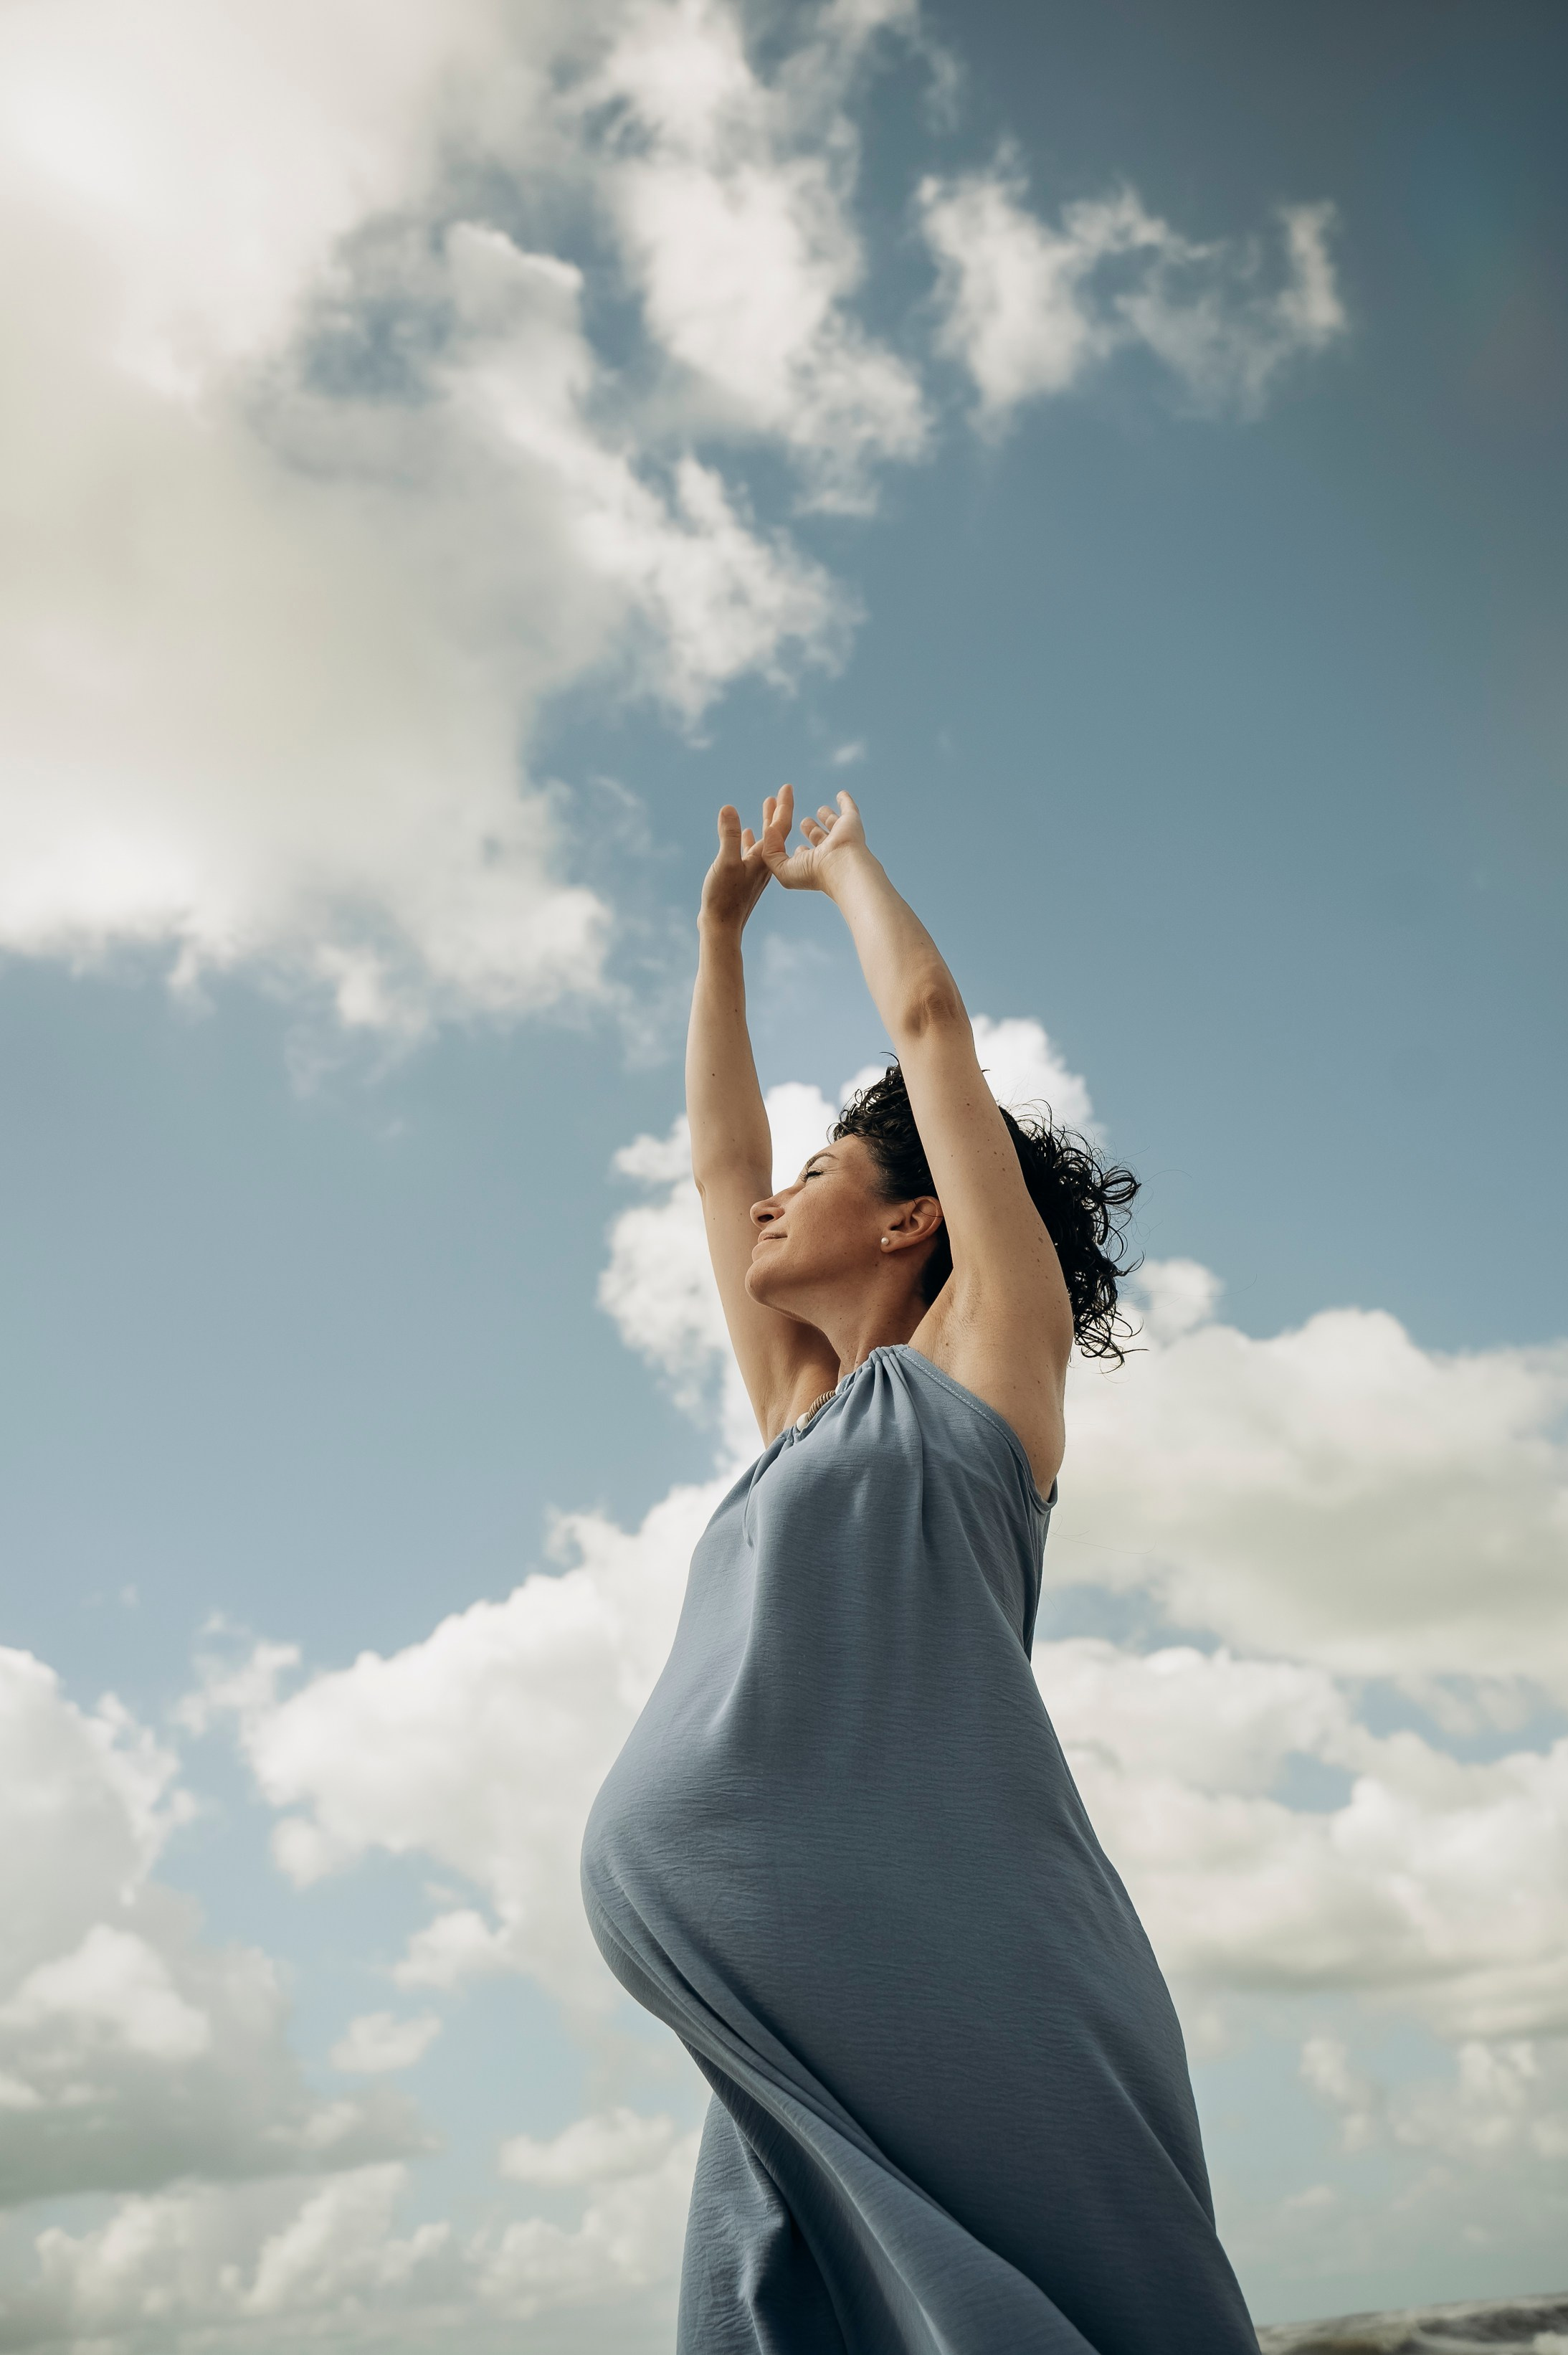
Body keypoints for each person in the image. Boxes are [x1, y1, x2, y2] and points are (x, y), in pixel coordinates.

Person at [581, 787, 1259, 2354]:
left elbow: (933, 1030)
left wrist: (839, 869)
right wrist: (715, 940)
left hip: (959, 1969)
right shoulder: (792, 1413)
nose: (766, 1198)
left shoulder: (976, 1378)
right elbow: (712, 1160)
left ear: (913, 1223)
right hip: (793, 2021)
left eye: (817, 1173)